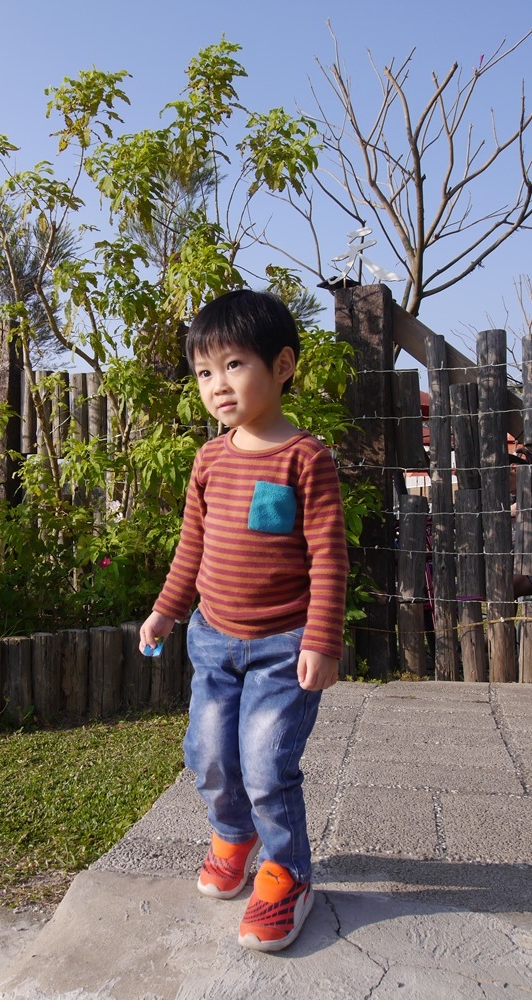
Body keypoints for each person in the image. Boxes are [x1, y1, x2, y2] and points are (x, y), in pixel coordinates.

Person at [139, 289, 349, 952]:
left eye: (234, 365)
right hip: (213, 640)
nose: (217, 385)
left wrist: (322, 638)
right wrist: (166, 610)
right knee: (206, 753)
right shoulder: (209, 460)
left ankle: (287, 874)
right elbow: (191, 547)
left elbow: (329, 556)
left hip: (285, 647)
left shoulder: (304, 459)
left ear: (282, 365)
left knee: (265, 763)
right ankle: (234, 833)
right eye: (204, 372)